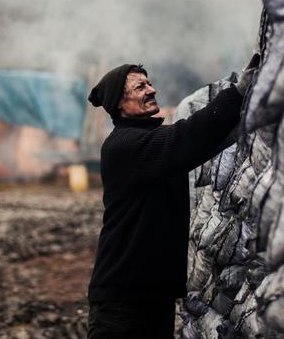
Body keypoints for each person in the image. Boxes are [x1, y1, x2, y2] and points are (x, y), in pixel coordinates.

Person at [86, 62, 254, 338]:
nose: (151, 89)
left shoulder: (148, 141)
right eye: (140, 87)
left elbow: (202, 144)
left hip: (153, 297)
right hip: (123, 303)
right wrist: (236, 93)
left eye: (149, 83)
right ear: (120, 103)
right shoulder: (123, 146)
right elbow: (185, 138)